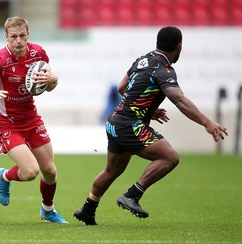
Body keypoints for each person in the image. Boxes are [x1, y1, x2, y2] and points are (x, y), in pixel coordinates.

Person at [73, 26, 228, 225]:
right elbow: (179, 100)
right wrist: (207, 122)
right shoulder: (164, 70)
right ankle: (132, 195)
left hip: (115, 121)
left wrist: (147, 110)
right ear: (179, 47)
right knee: (169, 157)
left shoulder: (143, 59)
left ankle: (87, 209)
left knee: (112, 171)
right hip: (129, 124)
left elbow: (122, 87)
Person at [0, 16, 68, 224]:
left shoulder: (38, 53)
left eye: (22, 36)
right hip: (7, 122)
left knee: (50, 171)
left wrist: (53, 80)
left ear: (28, 35)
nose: (19, 41)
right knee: (30, 171)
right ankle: (4, 176)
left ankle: (47, 211)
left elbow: (47, 86)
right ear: (6, 37)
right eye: (14, 37)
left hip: (31, 117)